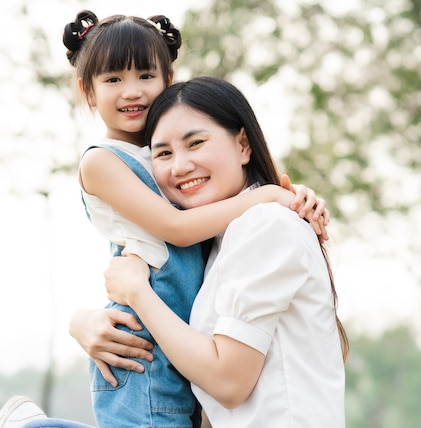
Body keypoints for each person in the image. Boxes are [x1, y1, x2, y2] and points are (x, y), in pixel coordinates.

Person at [59, 10, 328, 428]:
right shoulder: (102, 161)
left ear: (168, 79)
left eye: (145, 75)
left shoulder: (175, 174)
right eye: (112, 79)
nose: (131, 91)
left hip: (178, 348)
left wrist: (289, 195)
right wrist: (270, 196)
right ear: (87, 91)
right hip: (142, 351)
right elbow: (177, 231)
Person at [103, 76, 349, 426]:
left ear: (244, 145)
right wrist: (87, 325)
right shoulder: (222, 241)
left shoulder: (267, 224)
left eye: (196, 143)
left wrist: (138, 294)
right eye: (163, 153)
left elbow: (228, 382)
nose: (180, 166)